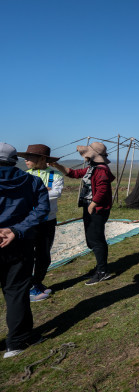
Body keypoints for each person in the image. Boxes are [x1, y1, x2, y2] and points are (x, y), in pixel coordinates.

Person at [0, 142, 50, 358]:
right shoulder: (32, 181)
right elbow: (42, 209)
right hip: (19, 243)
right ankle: (18, 341)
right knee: (17, 291)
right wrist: (16, 230)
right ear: (14, 160)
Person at [50, 142, 115, 285]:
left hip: (97, 209)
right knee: (92, 239)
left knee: (96, 239)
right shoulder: (92, 168)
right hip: (91, 207)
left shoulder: (101, 170)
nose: (85, 157)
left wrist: (93, 204)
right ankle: (100, 267)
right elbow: (74, 174)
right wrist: (57, 166)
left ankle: (103, 271)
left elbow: (102, 189)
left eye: (87, 155)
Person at [18, 144, 64, 302]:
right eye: (25, 157)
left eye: (30, 157)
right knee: (27, 254)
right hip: (30, 221)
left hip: (48, 221)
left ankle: (37, 282)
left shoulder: (55, 175)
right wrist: (45, 191)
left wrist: (36, 194)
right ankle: (30, 287)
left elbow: (56, 193)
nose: (25, 160)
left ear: (43, 159)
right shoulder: (24, 175)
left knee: (44, 255)